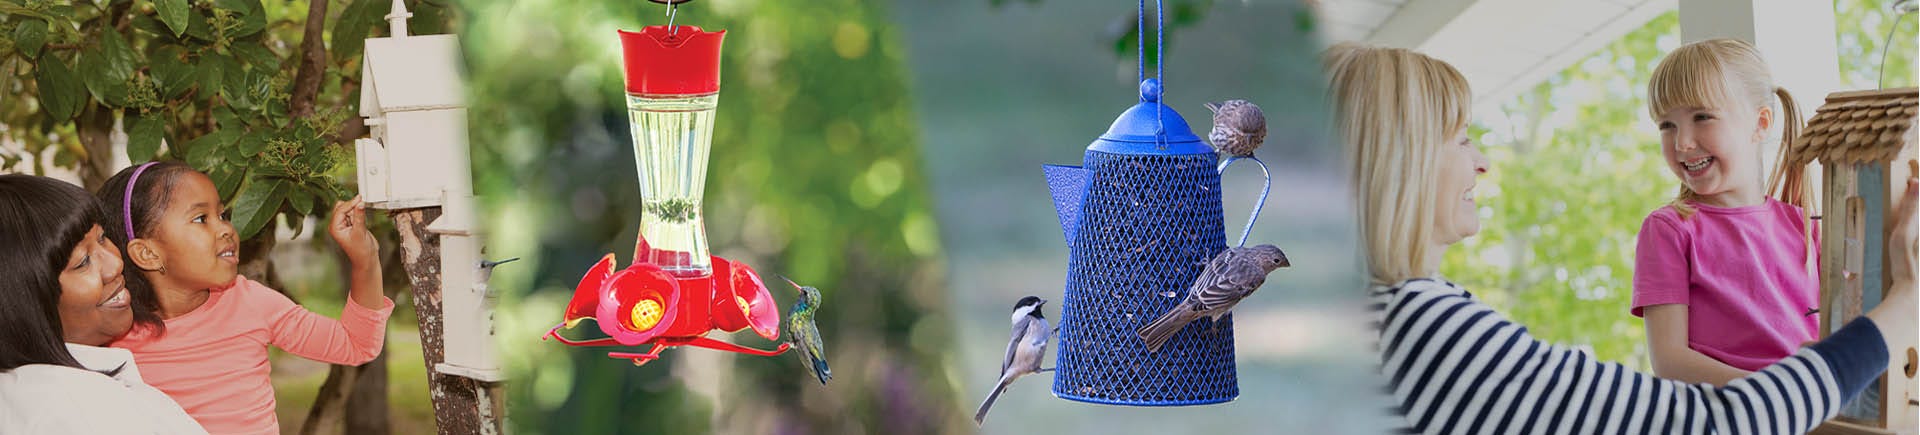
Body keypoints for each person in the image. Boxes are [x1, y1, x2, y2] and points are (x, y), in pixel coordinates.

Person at [1327, 42, 1918, 434]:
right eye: (1461, 139)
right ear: (1397, 164)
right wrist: (1904, 306)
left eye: (1702, 118)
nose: (1481, 163)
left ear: (1760, 123)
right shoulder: (1415, 324)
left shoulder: (1389, 318)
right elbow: (1723, 419)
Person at [97, 161, 393, 434]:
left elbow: (357, 344)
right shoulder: (109, 334)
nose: (226, 229)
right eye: (201, 218)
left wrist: (366, 258)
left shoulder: (250, 302)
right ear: (147, 253)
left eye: (222, 215)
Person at [1634, 38, 1824, 386]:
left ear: (1761, 123)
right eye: (1666, 125)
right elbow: (1670, 361)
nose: (1682, 143)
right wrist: (1778, 393)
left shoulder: (1808, 229)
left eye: (1702, 117)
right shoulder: (1669, 229)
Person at [0, 174, 205, 434]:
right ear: (22, 300)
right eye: (83, 262)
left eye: (103, 237)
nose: (115, 264)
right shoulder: (79, 409)